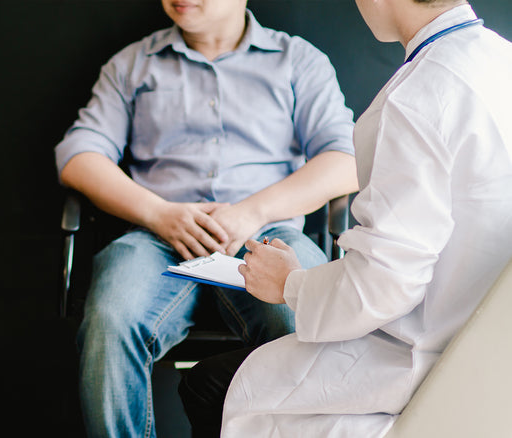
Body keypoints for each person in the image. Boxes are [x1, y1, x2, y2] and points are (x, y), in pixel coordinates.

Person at [177, 0, 512, 436]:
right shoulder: (500, 58)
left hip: (424, 357)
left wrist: (290, 283)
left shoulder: (416, 98)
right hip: (488, 350)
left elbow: (385, 283)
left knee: (208, 385)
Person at [55, 0, 359, 436]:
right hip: (157, 238)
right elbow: (79, 156)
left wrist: (252, 212)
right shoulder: (133, 64)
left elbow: (345, 160)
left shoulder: (297, 60)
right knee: (111, 320)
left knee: (305, 319)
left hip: (264, 233)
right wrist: (159, 214)